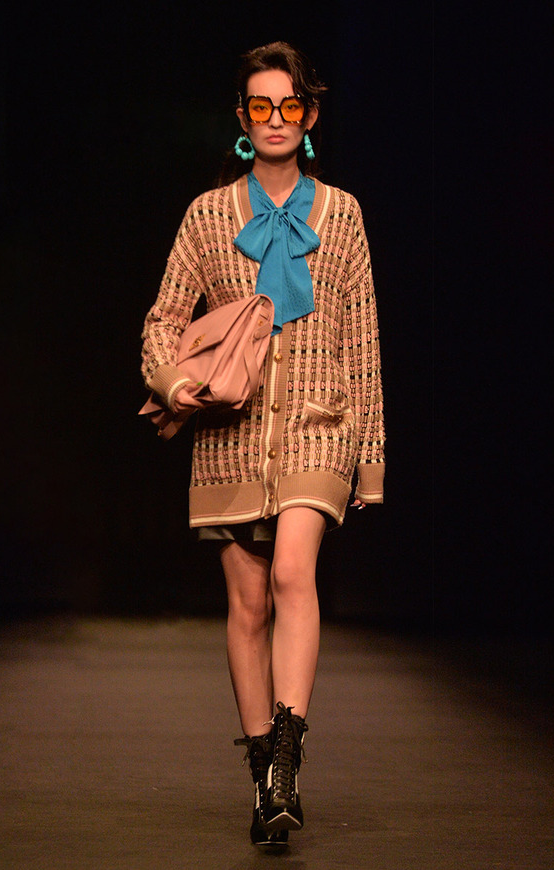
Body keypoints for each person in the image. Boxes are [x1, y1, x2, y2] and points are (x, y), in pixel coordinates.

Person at [141, 41, 385, 850]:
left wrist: (370, 457)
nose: (275, 119)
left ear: (308, 116)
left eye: (289, 106)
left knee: (290, 573)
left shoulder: (341, 214)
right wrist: (176, 381)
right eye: (260, 106)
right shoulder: (208, 216)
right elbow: (163, 319)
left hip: (321, 424)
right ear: (243, 118)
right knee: (247, 605)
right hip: (231, 437)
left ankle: (286, 762)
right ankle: (263, 785)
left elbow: (363, 340)